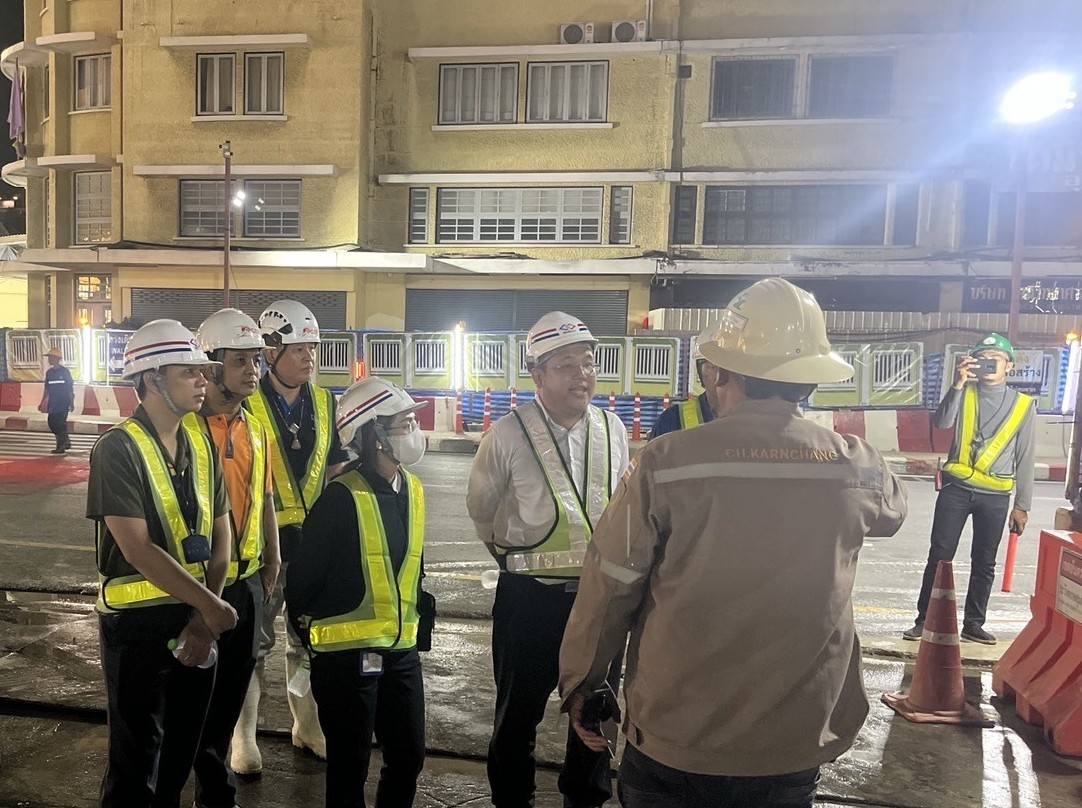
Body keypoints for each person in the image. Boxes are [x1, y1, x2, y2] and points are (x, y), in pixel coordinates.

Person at [558, 278, 908, 808]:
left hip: (676, 735)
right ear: (810, 380)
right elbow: (892, 515)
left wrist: (584, 683)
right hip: (794, 741)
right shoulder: (857, 464)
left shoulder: (664, 463)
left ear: (721, 372)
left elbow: (611, 584)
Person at [467, 311, 630, 808]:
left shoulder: (613, 428)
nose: (582, 375)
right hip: (530, 601)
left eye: (588, 362)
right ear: (537, 375)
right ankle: (512, 798)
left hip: (598, 602)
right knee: (519, 714)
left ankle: (586, 798)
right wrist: (521, 558)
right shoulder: (507, 435)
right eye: (566, 365)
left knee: (596, 711)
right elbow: (482, 511)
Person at [88, 319, 238, 807]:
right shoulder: (117, 448)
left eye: (203, 371)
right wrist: (210, 608)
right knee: (135, 767)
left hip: (196, 621)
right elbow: (137, 548)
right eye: (189, 372)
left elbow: (223, 537)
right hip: (137, 630)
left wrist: (203, 618)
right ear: (152, 378)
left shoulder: (201, 443)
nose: (203, 381)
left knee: (178, 759)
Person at [286, 377, 432, 808]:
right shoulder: (339, 498)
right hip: (346, 661)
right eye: (404, 422)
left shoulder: (413, 489)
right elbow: (303, 585)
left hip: (401, 652)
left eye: (412, 420)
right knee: (350, 768)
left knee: (408, 756)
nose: (413, 430)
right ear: (373, 434)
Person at [164, 309, 282, 808]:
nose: (253, 371)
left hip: (247, 584)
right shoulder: (186, 431)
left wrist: (273, 559)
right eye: (241, 361)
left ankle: (215, 794)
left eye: (257, 360)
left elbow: (266, 497)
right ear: (211, 366)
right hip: (198, 587)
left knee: (228, 701)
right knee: (185, 708)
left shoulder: (255, 427)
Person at [234, 300, 348, 770]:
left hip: (313, 545)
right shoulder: (246, 403)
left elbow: (335, 467)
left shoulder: (325, 402)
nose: (309, 357)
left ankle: (306, 725)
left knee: (307, 639)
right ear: (271, 351)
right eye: (299, 348)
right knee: (254, 642)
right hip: (262, 545)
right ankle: (243, 736)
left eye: (312, 348)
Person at [903, 333, 1035, 646]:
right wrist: (957, 384)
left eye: (996, 359)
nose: (989, 363)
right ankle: (924, 620)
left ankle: (974, 624)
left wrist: (1023, 505)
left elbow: (1025, 455)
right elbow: (942, 423)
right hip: (957, 489)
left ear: (1009, 366)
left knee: (984, 562)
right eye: (983, 358)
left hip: (996, 496)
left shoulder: (1023, 405)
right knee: (940, 556)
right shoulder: (964, 392)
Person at [649, 323, 719, 439]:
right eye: (712, 366)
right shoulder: (672, 421)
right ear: (700, 370)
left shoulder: (751, 424)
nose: (721, 376)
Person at [40, 346, 74, 453]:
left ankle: (61, 445)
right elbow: (47, 389)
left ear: (56, 358)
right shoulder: (49, 373)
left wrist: (71, 402)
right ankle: (65, 441)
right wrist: (42, 402)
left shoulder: (65, 372)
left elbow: (70, 388)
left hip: (63, 402)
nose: (49, 359)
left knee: (60, 423)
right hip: (53, 403)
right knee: (52, 422)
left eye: (50, 357)